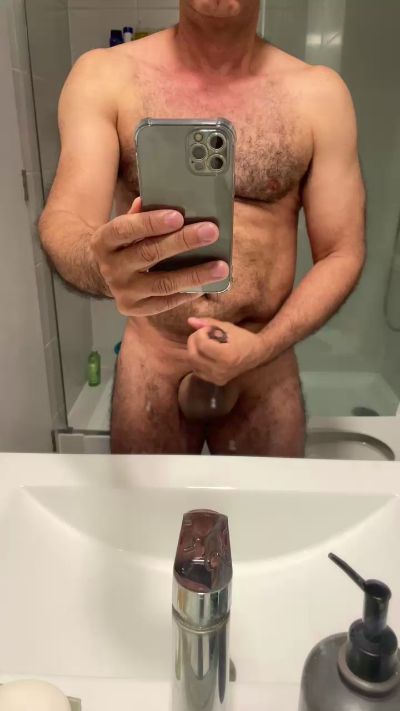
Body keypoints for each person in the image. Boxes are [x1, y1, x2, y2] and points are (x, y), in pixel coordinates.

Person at [39, 0, 365, 455]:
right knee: (148, 504)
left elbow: (342, 252)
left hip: (262, 358)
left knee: (267, 504)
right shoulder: (104, 76)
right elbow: (64, 220)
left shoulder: (320, 95)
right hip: (153, 354)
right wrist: (100, 267)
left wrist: (262, 347)